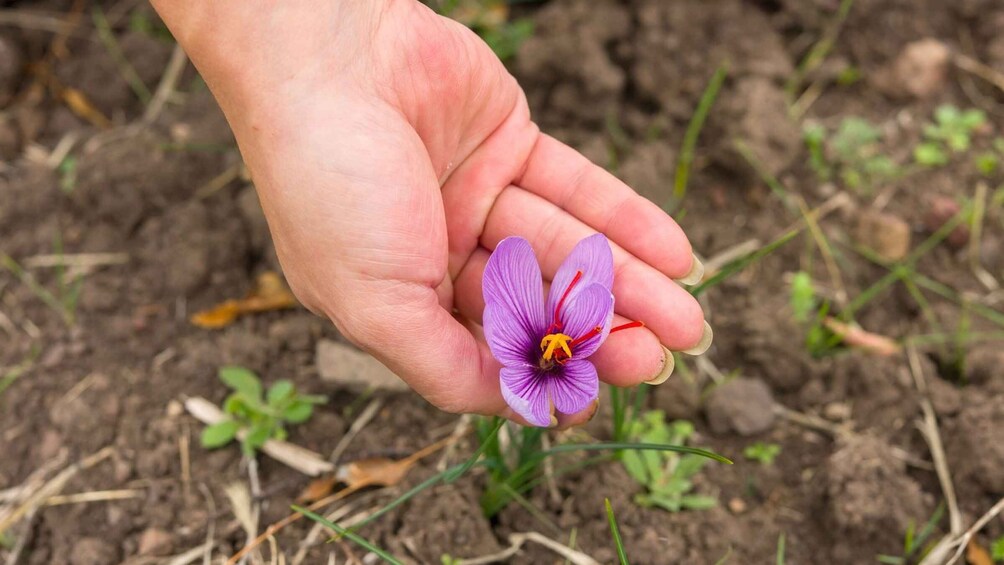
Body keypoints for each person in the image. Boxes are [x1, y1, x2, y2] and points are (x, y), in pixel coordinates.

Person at [149, 0, 711, 428]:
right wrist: (313, 65)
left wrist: (334, 34)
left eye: (555, 348)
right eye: (555, 346)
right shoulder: (532, 347)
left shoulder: (563, 350)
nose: (554, 347)